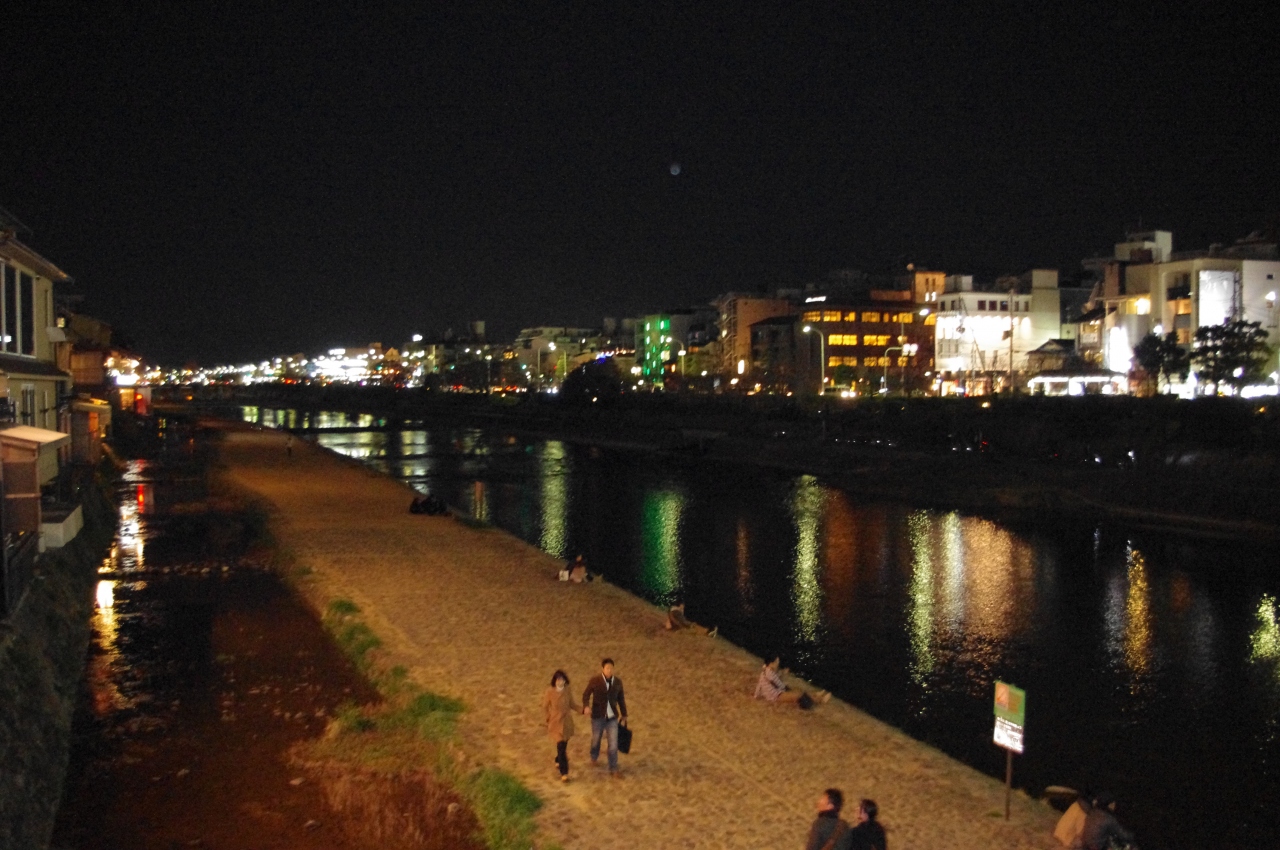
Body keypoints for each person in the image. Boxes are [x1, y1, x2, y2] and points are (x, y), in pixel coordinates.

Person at [582, 657, 627, 777]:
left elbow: (621, 698)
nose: (609, 670)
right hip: (598, 716)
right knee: (596, 739)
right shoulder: (595, 680)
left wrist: (624, 714)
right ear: (602, 669)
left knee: (613, 744)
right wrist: (586, 706)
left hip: (612, 717)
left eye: (611, 668)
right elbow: (586, 694)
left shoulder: (617, 682)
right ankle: (594, 756)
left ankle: (613, 767)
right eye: (607, 668)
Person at [541, 669, 581, 782]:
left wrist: (582, 710)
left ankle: (558, 759)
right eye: (558, 680)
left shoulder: (567, 690)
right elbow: (545, 706)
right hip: (556, 722)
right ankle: (564, 773)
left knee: (564, 745)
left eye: (562, 679)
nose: (560, 682)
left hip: (566, 722)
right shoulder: (550, 691)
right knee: (561, 746)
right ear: (555, 681)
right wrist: (548, 717)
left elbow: (572, 704)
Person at [754, 657, 829, 708]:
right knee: (799, 694)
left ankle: (816, 695)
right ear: (771, 663)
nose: (778, 663)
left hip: (774, 693)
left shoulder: (765, 671)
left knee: (797, 692)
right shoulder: (770, 674)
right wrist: (784, 674)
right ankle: (820, 701)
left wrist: (756, 695)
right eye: (776, 662)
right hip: (775, 696)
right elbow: (781, 685)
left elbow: (760, 684)